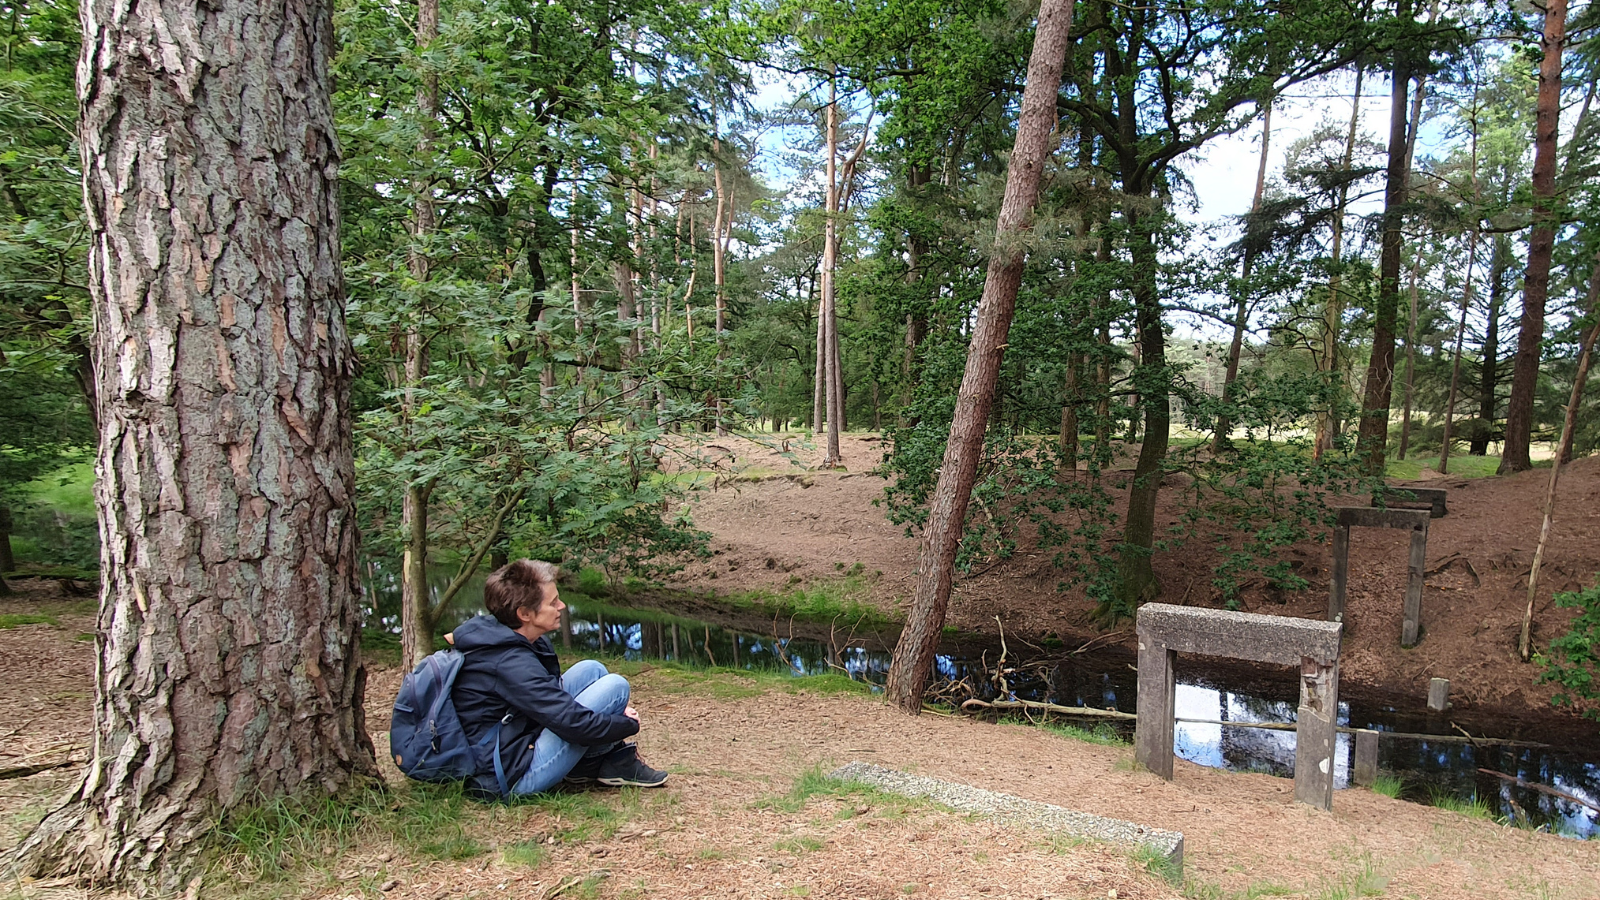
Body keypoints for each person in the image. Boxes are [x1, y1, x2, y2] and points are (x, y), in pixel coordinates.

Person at [449, 558, 668, 795]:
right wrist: (626, 723)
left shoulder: (508, 636)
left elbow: (551, 703)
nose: (562, 606)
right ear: (524, 614)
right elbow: (574, 724)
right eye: (553, 602)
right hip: (508, 775)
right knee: (616, 687)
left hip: (513, 737)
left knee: (592, 669)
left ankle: (591, 764)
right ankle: (604, 762)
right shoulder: (510, 663)